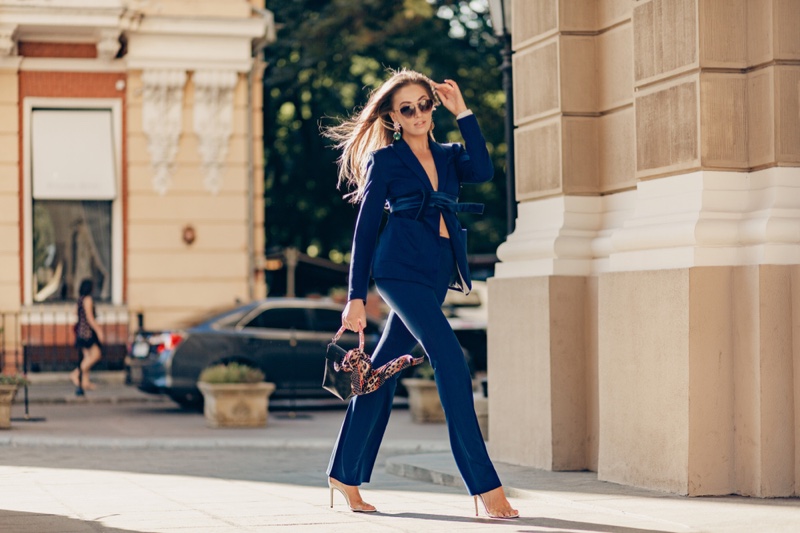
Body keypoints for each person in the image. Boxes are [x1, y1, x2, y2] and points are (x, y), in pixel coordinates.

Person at [323, 69, 519, 519]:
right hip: (397, 270)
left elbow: (485, 170)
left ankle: (344, 473)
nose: (417, 114)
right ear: (393, 116)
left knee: (379, 373)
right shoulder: (386, 161)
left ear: (433, 106)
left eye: (423, 105)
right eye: (406, 108)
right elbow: (366, 228)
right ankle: (486, 487)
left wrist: (463, 112)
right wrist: (356, 296)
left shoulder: (450, 156)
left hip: (436, 274)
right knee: (451, 361)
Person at [70, 279, 104, 391]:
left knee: (87, 357)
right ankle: (76, 373)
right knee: (96, 355)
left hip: (80, 332)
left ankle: (85, 382)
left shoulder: (79, 300)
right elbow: (90, 318)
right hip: (87, 333)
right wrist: (99, 331)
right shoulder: (88, 299)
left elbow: (75, 313)